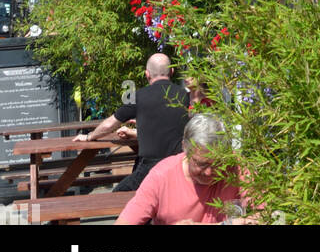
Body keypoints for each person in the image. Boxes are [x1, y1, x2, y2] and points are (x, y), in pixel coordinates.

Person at [74, 52, 188, 191]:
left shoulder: (138, 96)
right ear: (172, 71)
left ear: (147, 74)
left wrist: (89, 136)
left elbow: (109, 124)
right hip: (180, 167)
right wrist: (135, 132)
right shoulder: (185, 96)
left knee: (118, 195)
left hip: (149, 169)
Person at [116, 113, 249, 226]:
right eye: (201, 164)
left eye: (218, 164)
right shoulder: (162, 176)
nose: (209, 172)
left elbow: (266, 216)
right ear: (184, 148)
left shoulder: (238, 167)